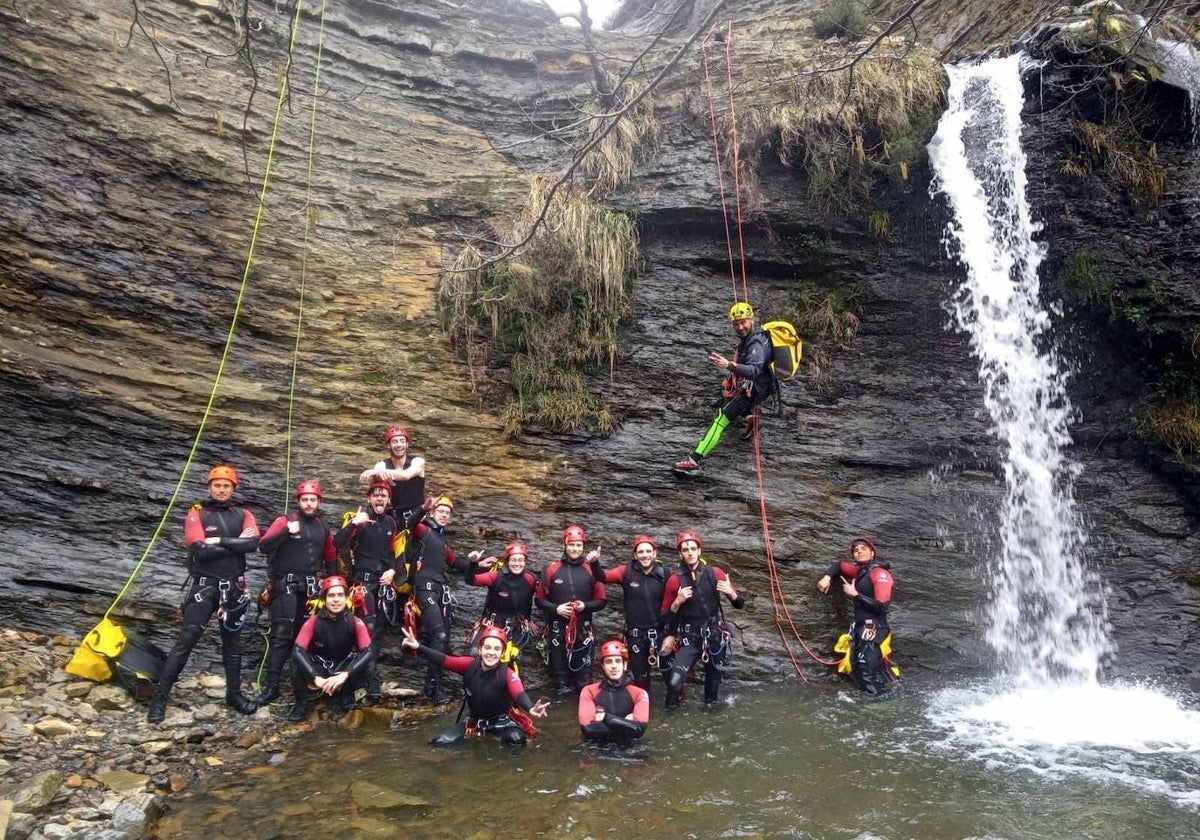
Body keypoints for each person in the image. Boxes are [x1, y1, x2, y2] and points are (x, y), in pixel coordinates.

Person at [148, 465, 260, 723]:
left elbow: (254, 543)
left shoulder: (243, 514)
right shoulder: (197, 514)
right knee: (186, 640)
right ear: (209, 487)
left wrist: (219, 541)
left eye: (226, 485)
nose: (221, 490)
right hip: (204, 587)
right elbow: (199, 550)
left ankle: (233, 695)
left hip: (234, 588)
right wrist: (235, 545)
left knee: (233, 644)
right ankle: (160, 698)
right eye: (217, 485)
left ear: (233, 488)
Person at [253, 480, 337, 706]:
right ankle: (272, 687)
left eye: (313, 500)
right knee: (281, 635)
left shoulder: (323, 526)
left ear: (319, 502)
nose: (309, 504)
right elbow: (263, 546)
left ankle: (300, 684)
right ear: (298, 501)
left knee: (306, 638)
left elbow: (330, 557)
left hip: (310, 589)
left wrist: (335, 586)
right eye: (305, 500)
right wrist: (285, 533)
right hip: (285, 586)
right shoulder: (285, 521)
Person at [402, 624, 549, 747]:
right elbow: (443, 660)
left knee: (516, 740)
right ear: (480, 649)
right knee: (439, 742)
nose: (491, 653)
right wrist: (418, 646)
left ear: (502, 653)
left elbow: (519, 693)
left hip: (501, 723)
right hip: (474, 722)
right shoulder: (469, 665)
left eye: (497, 649)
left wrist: (530, 708)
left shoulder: (507, 674)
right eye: (488, 648)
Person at [674, 301, 776, 474]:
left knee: (721, 419)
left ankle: (694, 459)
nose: (740, 327)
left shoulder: (756, 343)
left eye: (743, 322)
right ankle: (751, 419)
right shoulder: (752, 337)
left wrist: (728, 364)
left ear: (752, 319)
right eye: (736, 324)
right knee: (728, 395)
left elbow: (753, 369)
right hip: (761, 385)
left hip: (757, 387)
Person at [333, 479, 403, 704]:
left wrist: (392, 570)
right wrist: (355, 523)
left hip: (382, 586)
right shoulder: (358, 519)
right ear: (369, 498)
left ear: (388, 499)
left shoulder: (391, 523)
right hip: (361, 586)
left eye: (384, 495)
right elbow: (337, 542)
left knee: (376, 634)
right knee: (363, 634)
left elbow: (391, 554)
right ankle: (358, 683)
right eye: (376, 495)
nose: (380, 498)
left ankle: (367, 680)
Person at [659, 531, 745, 708]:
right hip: (689, 639)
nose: (689, 552)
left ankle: (711, 720)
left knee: (712, 691)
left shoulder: (715, 573)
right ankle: (670, 717)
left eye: (692, 548)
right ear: (680, 554)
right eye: (685, 550)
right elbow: (664, 616)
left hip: (714, 637)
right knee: (675, 681)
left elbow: (739, 604)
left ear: (699, 551)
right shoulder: (675, 581)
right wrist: (677, 601)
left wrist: (731, 593)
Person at [404, 494, 466, 703]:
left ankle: (434, 685)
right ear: (433, 512)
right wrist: (423, 507)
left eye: (447, 514)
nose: (444, 516)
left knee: (441, 638)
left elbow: (455, 561)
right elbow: (410, 523)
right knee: (438, 637)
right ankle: (431, 688)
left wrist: (478, 562)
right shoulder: (424, 531)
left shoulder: (440, 540)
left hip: (438, 592)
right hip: (425, 590)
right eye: (441, 512)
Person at [817, 536, 897, 696]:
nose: (859, 551)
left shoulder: (879, 573)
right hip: (861, 627)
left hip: (875, 627)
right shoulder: (860, 571)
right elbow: (838, 566)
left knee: (864, 669)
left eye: (863, 549)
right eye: (855, 550)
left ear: (872, 554)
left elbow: (882, 606)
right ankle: (884, 696)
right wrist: (827, 577)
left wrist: (856, 594)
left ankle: (878, 703)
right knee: (858, 668)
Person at [288, 575, 375, 721]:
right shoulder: (313, 622)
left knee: (369, 662)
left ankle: (346, 693)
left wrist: (344, 675)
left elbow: (368, 652)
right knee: (295, 662)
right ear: (324, 599)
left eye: (340, 595)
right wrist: (316, 678)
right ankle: (302, 701)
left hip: (344, 669)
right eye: (331, 595)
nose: (336, 600)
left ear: (347, 598)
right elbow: (297, 650)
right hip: (321, 669)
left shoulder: (356, 622)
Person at [535, 525, 607, 696]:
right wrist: (556, 609)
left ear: (583, 547)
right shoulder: (551, 570)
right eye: (572, 545)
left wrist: (585, 606)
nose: (575, 549)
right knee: (560, 679)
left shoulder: (591, 570)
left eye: (579, 545)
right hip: (557, 629)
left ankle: (584, 715)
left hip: (583, 629)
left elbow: (602, 601)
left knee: (585, 678)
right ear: (565, 545)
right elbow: (538, 600)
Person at [592, 535, 668, 692]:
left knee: (671, 676)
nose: (644, 555)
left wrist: (672, 633)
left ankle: (674, 707)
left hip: (660, 634)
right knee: (640, 679)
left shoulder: (665, 573)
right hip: (636, 636)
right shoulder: (626, 572)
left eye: (648, 551)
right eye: (641, 552)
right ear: (635, 555)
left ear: (654, 553)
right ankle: (644, 712)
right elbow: (602, 577)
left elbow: (674, 601)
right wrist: (594, 563)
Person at [464, 541, 539, 657]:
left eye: (520, 560)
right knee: (474, 653)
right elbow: (471, 580)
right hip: (491, 623)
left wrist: (528, 619)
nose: (517, 564)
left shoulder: (530, 579)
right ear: (507, 561)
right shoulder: (495, 577)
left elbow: (528, 600)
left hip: (515, 625)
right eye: (513, 560)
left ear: (525, 562)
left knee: (512, 658)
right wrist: (473, 564)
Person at [578, 639, 650, 745]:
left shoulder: (639, 694)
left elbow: (639, 730)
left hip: (629, 750)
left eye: (617, 661)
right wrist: (626, 724)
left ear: (624, 665)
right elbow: (588, 730)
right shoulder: (589, 691)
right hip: (597, 748)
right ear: (603, 666)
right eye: (608, 662)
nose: (613, 666)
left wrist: (605, 718)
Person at [358, 426, 426, 524]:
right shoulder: (381, 465)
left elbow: (406, 475)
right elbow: (374, 489)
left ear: (407, 444)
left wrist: (378, 472)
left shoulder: (418, 462)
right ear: (388, 445)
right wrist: (378, 474)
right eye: (394, 441)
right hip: (394, 518)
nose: (399, 445)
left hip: (418, 515)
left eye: (402, 441)